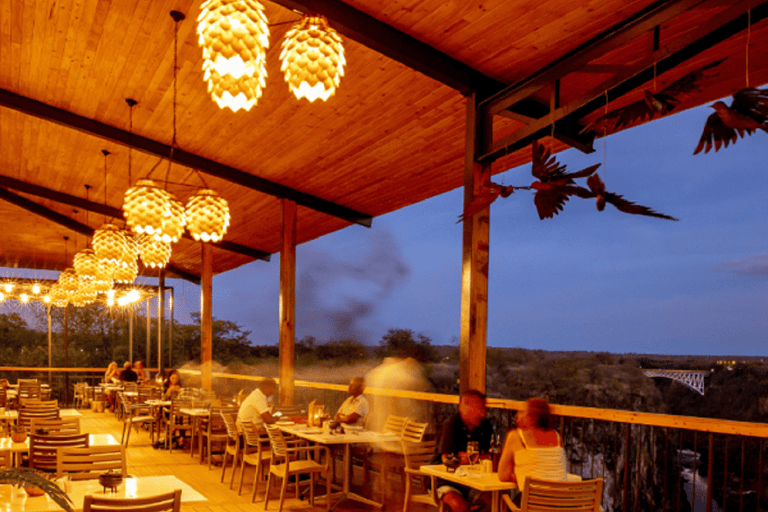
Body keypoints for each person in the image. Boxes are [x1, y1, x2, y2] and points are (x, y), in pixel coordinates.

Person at [498, 397, 567, 502]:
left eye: (521, 412)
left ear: (534, 417)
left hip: (533, 504)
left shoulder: (516, 436)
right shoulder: (557, 437)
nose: (516, 416)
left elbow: (503, 475)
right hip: (561, 503)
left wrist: (520, 474)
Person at [437, 389, 494, 512]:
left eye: (484, 408)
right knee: (459, 506)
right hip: (445, 482)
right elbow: (446, 459)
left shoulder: (485, 425)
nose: (483, 414)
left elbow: (489, 456)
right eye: (479, 408)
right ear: (464, 408)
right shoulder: (451, 425)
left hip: (473, 482)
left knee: (491, 503)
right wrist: (467, 459)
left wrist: (467, 458)